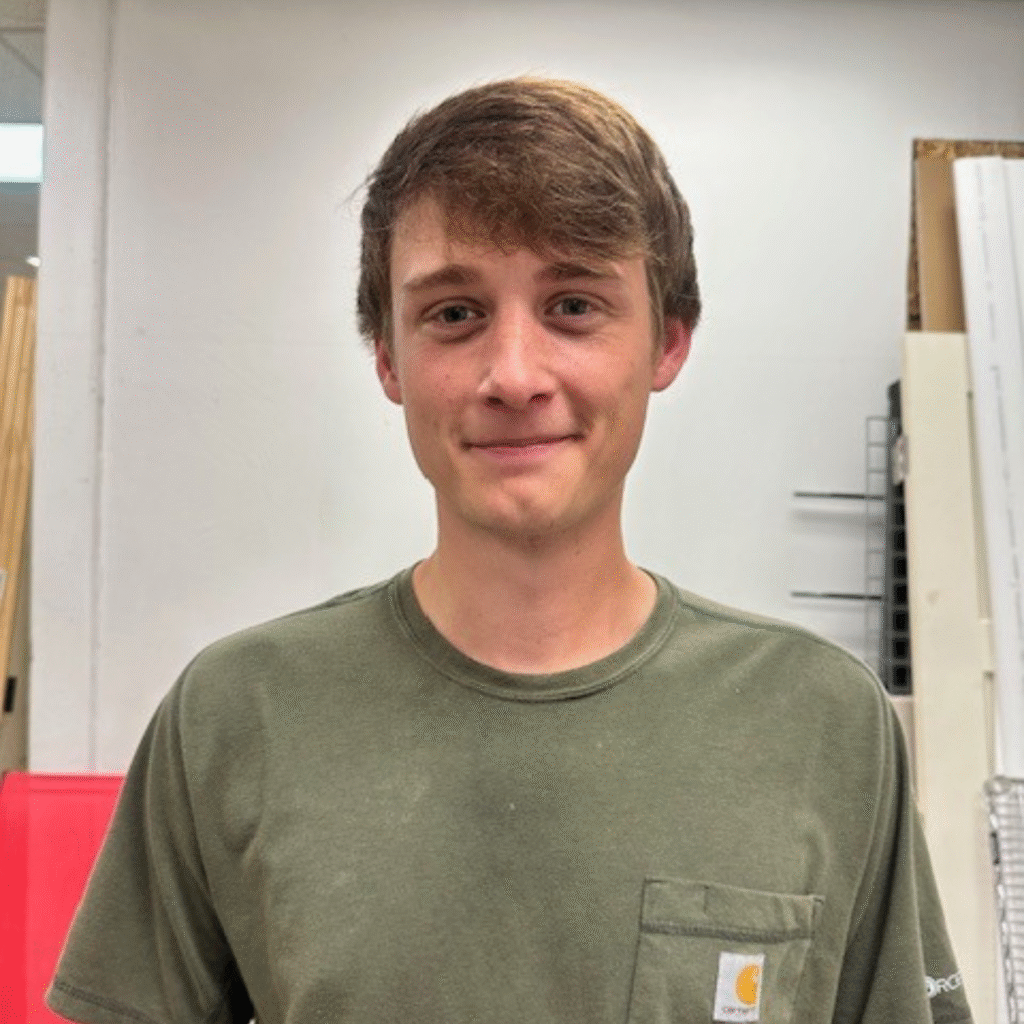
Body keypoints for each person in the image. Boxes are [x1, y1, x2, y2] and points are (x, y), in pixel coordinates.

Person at [47, 77, 971, 1024]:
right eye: (455, 313)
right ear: (388, 359)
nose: (515, 376)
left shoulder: (822, 724)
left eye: (573, 304)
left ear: (667, 343)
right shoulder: (235, 715)